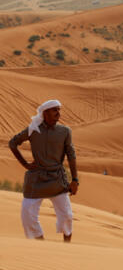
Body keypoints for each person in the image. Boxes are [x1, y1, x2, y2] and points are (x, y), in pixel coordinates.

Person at [8, 99, 78, 241]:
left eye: (59, 110)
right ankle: (40, 244)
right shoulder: (33, 129)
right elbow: (13, 143)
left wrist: (75, 180)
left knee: (67, 216)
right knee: (27, 215)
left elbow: (71, 155)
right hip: (36, 179)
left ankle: (67, 247)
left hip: (57, 179)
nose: (58, 113)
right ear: (45, 113)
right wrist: (25, 164)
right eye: (54, 110)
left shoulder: (65, 131)